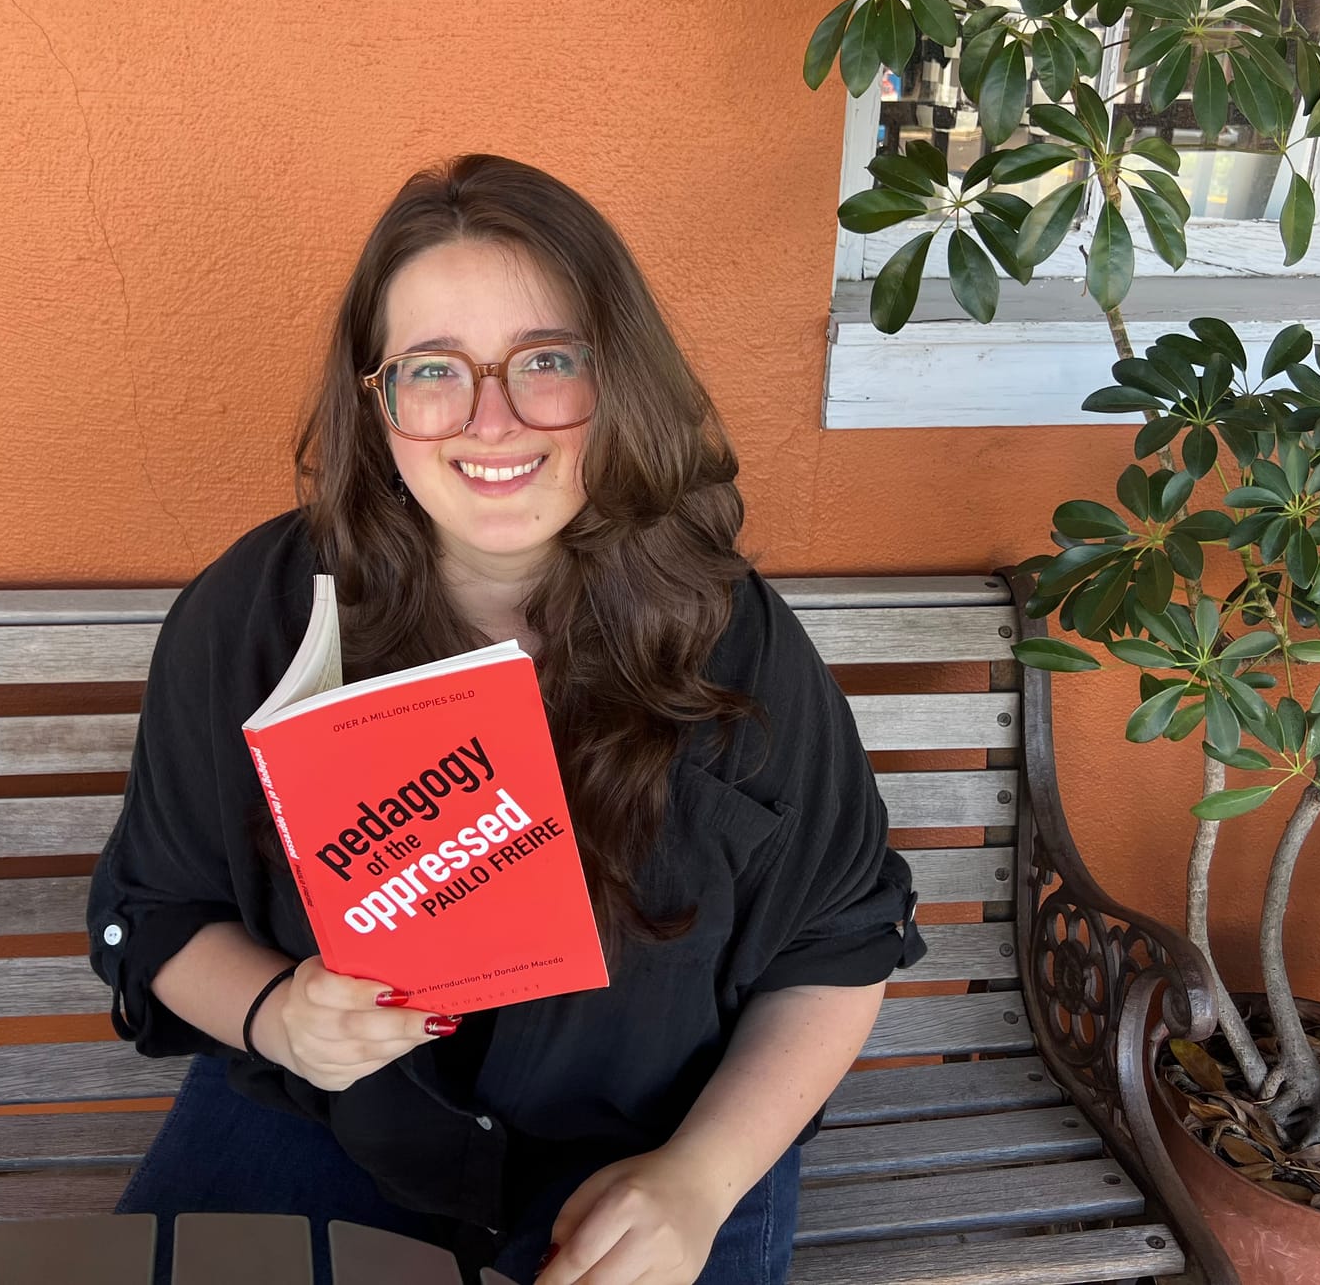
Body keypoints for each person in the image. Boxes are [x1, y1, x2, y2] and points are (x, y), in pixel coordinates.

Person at [87, 153, 925, 1285]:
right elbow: (155, 908)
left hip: (654, 1146)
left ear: (615, 378)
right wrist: (277, 1016)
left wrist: (701, 1179)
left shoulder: (728, 636)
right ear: (377, 400)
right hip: (335, 1121)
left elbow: (840, 941)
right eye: (433, 369)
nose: (491, 422)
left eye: (546, 361)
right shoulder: (255, 614)